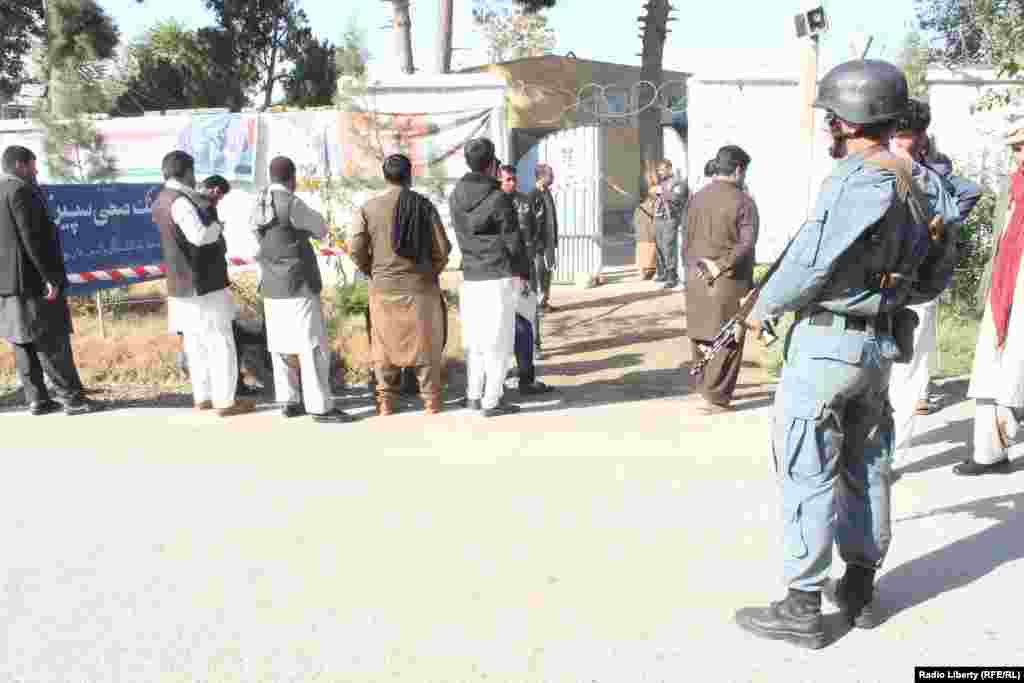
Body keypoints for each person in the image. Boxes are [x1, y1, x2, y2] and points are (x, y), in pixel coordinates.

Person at [733, 59, 957, 648]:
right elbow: (938, 275)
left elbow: (810, 259)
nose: (828, 126)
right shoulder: (923, 181)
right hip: (879, 348)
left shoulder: (858, 180)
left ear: (848, 118)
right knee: (867, 466)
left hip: (828, 347)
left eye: (832, 117)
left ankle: (803, 607)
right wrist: (888, 293)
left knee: (810, 467)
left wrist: (762, 307)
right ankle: (858, 591)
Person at [887, 99, 980, 450]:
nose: (896, 143)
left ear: (921, 138)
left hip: (919, 282)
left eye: (904, 136)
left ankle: (892, 450)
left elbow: (970, 191)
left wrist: (941, 227)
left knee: (907, 366)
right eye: (892, 135)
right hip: (885, 281)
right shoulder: (884, 166)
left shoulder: (933, 174)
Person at [250, 155, 354, 423]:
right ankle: (320, 407)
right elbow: (320, 228)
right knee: (312, 347)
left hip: (271, 284)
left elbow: (259, 236)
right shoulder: (291, 202)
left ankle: (289, 401)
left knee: (281, 347)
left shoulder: (259, 202)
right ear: (292, 177)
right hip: (298, 283)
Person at [350, 154, 451, 415]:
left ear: (384, 176)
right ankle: (431, 400)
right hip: (420, 287)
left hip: (383, 287)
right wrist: (428, 274)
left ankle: (385, 402)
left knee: (383, 345)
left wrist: (373, 271)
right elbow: (442, 249)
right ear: (410, 175)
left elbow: (356, 249)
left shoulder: (367, 209)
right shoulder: (424, 206)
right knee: (425, 343)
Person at [154, 151, 253, 417]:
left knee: (195, 343)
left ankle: (204, 396)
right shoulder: (181, 201)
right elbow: (198, 236)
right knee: (220, 341)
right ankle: (226, 401)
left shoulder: (161, 199)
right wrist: (217, 228)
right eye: (192, 171)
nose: (194, 176)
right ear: (186, 171)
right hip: (203, 285)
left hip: (180, 285)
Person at [0, 145, 98, 415]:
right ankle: (72, 400)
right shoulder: (20, 190)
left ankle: (37, 399)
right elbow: (33, 239)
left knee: (22, 341)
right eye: (33, 165)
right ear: (21, 165)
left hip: (8, 285)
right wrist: (49, 278)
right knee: (50, 340)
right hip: (33, 282)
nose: (36, 170)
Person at [958, 126, 1024, 475]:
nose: (1022, 155)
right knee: (990, 366)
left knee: (1015, 369)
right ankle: (989, 453)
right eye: (1017, 148)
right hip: (1004, 286)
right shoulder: (1011, 188)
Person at [449, 138, 524, 417]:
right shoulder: (499, 198)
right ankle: (492, 400)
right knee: (500, 342)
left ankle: (473, 395)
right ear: (493, 164)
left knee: (476, 341)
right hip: (499, 274)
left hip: (470, 276)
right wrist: (523, 273)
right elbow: (514, 241)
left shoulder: (456, 195)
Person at [684, 145, 758, 415]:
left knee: (702, 334)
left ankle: (704, 390)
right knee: (728, 338)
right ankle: (715, 397)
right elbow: (746, 244)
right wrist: (721, 265)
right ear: (738, 170)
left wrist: (694, 269)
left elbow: (686, 240)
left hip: (696, 277)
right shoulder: (744, 202)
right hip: (727, 279)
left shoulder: (696, 198)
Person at [498, 164, 553, 395]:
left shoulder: (524, 201)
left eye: (514, 179)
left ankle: (527, 376)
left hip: (524, 269)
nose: (512, 183)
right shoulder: (493, 204)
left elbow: (534, 233)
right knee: (499, 328)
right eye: (507, 179)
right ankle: (496, 380)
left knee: (527, 322)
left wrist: (533, 265)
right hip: (500, 273)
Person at [651, 159, 687, 290]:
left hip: (670, 218)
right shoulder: (662, 183)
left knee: (668, 247)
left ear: (669, 169)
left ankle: (672, 277)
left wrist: (662, 192)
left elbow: (678, 198)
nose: (660, 173)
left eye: (662, 170)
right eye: (659, 170)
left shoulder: (677, 182)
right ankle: (664, 273)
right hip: (659, 218)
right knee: (660, 246)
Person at [528, 163, 559, 312]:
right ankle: (538, 305)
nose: (553, 177)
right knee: (539, 273)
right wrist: (535, 242)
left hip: (549, 241)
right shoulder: (533, 195)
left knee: (547, 271)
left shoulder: (546, 192)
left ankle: (544, 301)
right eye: (550, 174)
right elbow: (531, 222)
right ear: (542, 176)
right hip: (539, 244)